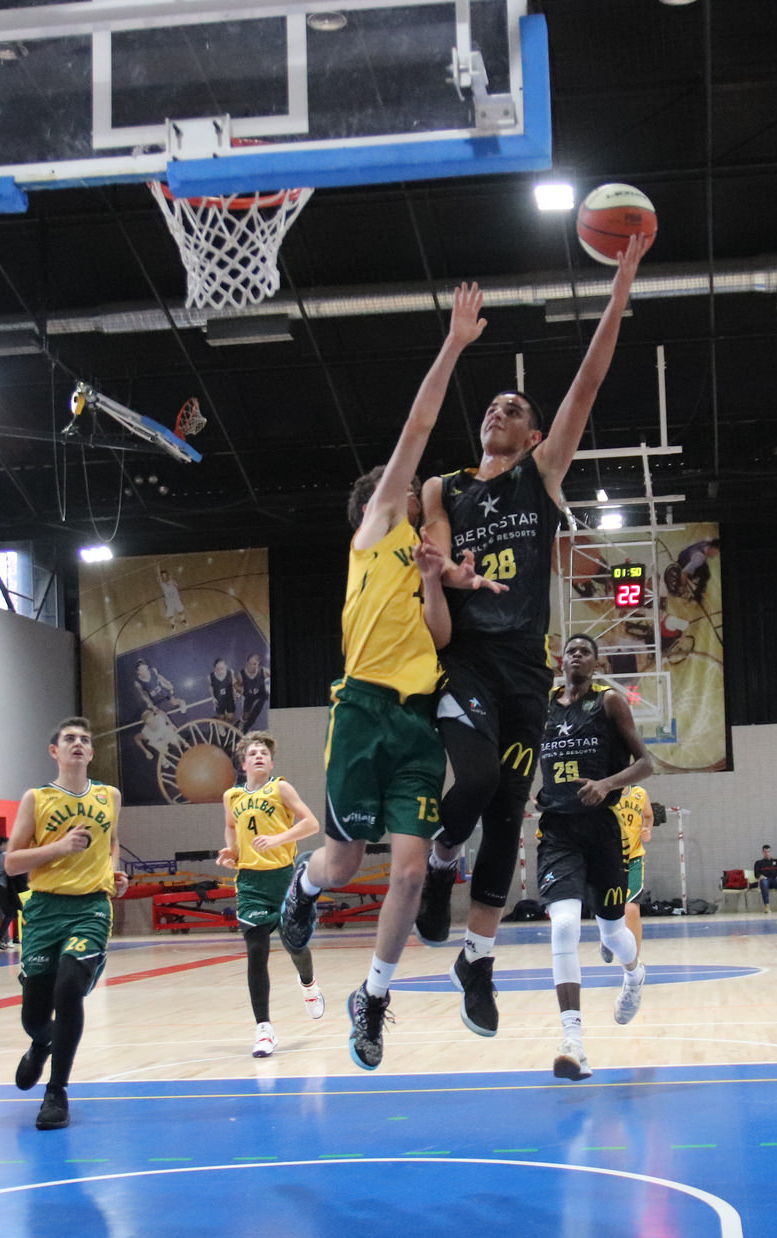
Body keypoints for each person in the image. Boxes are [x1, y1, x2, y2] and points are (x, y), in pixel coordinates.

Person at [414, 232, 654, 1040]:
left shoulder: (540, 477)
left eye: (515, 409)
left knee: (509, 812)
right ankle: (441, 859)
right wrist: (445, 572)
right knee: (478, 778)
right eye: (492, 406)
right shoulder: (444, 487)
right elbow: (436, 558)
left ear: (535, 435)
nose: (499, 411)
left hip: (525, 669)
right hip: (465, 657)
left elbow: (589, 380)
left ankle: (476, 962)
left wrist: (619, 289)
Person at [277, 283, 487, 1071]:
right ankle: (303, 889)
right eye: (401, 483)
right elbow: (416, 428)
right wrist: (454, 345)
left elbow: (440, 635)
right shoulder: (372, 534)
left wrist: (437, 579)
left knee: (407, 869)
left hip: (415, 719)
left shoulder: (420, 557)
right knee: (342, 863)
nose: (411, 484)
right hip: (362, 709)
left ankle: (373, 997)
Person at [533, 633, 653, 1080]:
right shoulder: (543, 707)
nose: (577, 655)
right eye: (571, 650)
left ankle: (634, 974)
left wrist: (606, 784)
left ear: (596, 663)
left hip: (601, 829)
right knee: (564, 925)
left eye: (585, 651)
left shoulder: (609, 702)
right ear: (561, 661)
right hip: (558, 831)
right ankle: (573, 1041)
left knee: (612, 931)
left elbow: (646, 763)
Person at [2, 717, 128, 1130]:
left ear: (90, 753)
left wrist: (114, 873)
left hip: (91, 908)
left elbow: (111, 842)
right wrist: (60, 847)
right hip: (44, 910)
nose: (78, 743)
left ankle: (56, 1091)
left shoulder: (109, 796)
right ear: (54, 751)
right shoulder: (36, 798)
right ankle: (42, 1042)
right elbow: (11, 862)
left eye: (84, 740)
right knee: (34, 1015)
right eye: (69, 738)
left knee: (69, 986)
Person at [217, 731, 323, 1058]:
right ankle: (264, 1029)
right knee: (256, 950)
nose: (259, 756)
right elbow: (232, 827)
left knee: (295, 945)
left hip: (284, 878)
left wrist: (278, 839)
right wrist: (232, 852)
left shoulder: (281, 788)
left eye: (264, 753)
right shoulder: (232, 796)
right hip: (251, 882)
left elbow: (311, 824)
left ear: (271, 763)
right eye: (253, 753)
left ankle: (308, 984)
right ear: (243, 763)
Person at [609, 782, 653, 958]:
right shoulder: (605, 795)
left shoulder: (640, 793)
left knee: (631, 909)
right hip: (609, 860)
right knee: (611, 909)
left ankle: (634, 960)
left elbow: (648, 816)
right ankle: (608, 936)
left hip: (634, 858)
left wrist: (646, 829)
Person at [0, 839, 23, 950]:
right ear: (3, 844)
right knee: (11, 912)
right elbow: (12, 869)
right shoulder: (4, 855)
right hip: (2, 887)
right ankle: (0, 938)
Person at [238, 652, 270, 732]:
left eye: (254, 664)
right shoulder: (241, 674)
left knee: (257, 711)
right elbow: (237, 685)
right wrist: (239, 691)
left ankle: (249, 728)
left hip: (261, 695)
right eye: (250, 663)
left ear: (258, 663)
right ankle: (242, 723)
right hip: (248, 695)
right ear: (247, 663)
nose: (251, 666)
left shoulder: (264, 671)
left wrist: (268, 688)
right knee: (246, 715)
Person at [209, 658, 238, 724]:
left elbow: (234, 683)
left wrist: (235, 692)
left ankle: (229, 725)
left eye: (222, 668)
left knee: (230, 717)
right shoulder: (211, 676)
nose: (220, 671)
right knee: (221, 718)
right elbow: (211, 687)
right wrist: (213, 697)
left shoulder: (230, 673)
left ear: (226, 667)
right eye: (218, 669)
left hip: (229, 698)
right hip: (219, 700)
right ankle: (222, 725)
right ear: (215, 668)